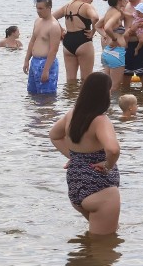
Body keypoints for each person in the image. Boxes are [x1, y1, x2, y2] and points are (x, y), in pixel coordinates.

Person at [49, 72, 120, 235]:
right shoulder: (100, 120)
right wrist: (108, 165)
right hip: (101, 190)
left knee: (92, 245)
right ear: (104, 94)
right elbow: (113, 149)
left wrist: (75, 157)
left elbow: (54, 135)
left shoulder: (71, 114)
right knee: (104, 250)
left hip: (77, 188)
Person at [52, 0, 99, 82]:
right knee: (86, 79)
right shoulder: (86, 6)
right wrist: (93, 31)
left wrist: (61, 30)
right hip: (83, 41)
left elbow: (52, 17)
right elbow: (95, 18)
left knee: (70, 80)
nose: (90, 3)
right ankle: (84, 97)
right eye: (91, 1)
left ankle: (70, 96)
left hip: (68, 42)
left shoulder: (67, 6)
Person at [24, 0, 62, 95]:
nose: (38, 11)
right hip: (34, 62)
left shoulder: (54, 26)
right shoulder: (37, 21)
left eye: (41, 8)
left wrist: (46, 70)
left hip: (46, 63)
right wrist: (27, 60)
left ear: (49, 8)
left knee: (46, 96)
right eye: (37, 8)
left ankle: (47, 111)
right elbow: (32, 41)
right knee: (32, 94)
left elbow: (53, 50)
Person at [96, 0, 128, 92]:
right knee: (115, 87)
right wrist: (114, 38)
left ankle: (105, 107)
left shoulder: (109, 11)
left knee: (107, 86)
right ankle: (110, 107)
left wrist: (105, 36)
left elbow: (97, 26)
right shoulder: (116, 13)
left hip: (107, 52)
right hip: (116, 52)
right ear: (119, 0)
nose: (127, 0)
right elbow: (108, 27)